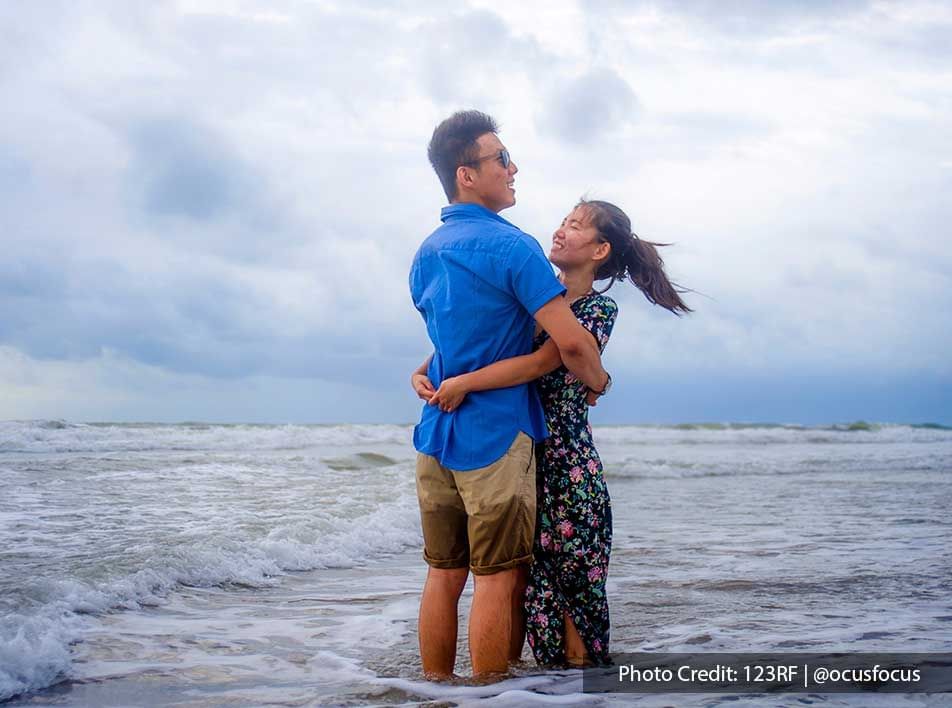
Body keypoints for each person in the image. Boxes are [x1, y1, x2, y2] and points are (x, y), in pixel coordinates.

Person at [427, 199, 691, 667]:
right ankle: (513, 687)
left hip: (567, 459)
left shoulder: (597, 308)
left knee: (571, 580)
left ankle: (577, 688)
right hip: (520, 449)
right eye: (563, 222)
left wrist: (599, 379)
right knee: (518, 580)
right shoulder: (531, 300)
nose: (561, 231)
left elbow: (548, 360)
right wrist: (425, 369)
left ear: (600, 249)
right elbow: (481, 343)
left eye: (575, 227)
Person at [409, 111, 611, 680]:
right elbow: (570, 344)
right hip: (495, 437)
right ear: (466, 174)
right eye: (500, 158)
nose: (512, 167)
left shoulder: (426, 252)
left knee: (443, 574)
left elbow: (451, 338)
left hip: (435, 435)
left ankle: (436, 691)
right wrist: (599, 381)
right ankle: (490, 697)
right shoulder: (513, 247)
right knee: (497, 577)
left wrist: (424, 373)